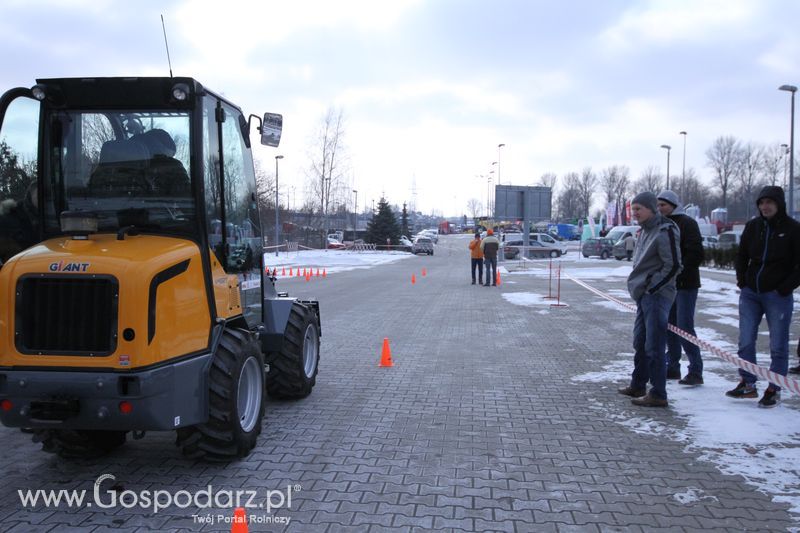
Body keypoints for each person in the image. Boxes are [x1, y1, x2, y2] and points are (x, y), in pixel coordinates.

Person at [726, 186, 800, 408]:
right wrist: (742, 280)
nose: (765, 207)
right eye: (761, 203)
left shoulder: (793, 229)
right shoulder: (753, 226)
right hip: (751, 293)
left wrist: (785, 287)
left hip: (777, 295)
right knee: (746, 340)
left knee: (778, 344)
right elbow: (742, 255)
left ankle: (773, 388)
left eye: (769, 202)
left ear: (779, 204)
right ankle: (747, 383)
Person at [618, 192, 681, 407]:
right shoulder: (644, 231)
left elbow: (673, 265)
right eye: (633, 209)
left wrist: (652, 287)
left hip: (656, 296)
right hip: (643, 295)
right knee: (640, 342)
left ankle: (658, 393)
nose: (635, 213)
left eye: (639, 209)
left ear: (651, 209)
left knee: (654, 345)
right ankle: (638, 384)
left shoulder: (666, 230)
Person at [657, 190, 705, 385]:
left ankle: (695, 369)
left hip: (685, 284)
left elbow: (695, 253)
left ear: (674, 205)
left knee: (685, 326)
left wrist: (678, 271)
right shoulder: (661, 225)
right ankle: (673, 366)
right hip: (668, 285)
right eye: (658, 205)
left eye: (664, 205)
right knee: (669, 326)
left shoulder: (687, 224)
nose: (660, 208)